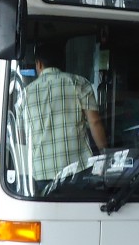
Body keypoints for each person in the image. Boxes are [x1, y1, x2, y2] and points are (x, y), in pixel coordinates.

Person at [21, 41, 108, 188]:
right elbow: (94, 122)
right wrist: (105, 155)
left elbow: (22, 135)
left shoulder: (25, 94)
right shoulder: (79, 83)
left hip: (41, 171)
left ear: (39, 64)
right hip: (77, 168)